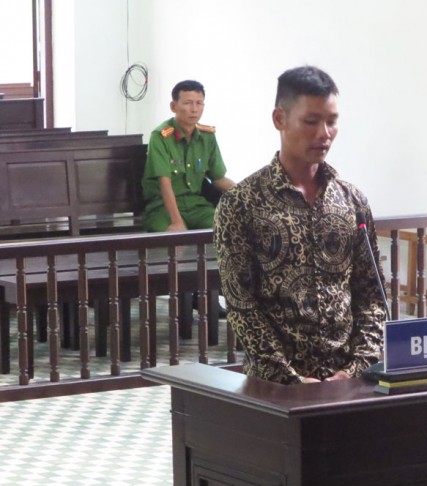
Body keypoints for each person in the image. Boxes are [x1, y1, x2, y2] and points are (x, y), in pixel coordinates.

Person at [213, 65, 386, 384]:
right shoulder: (241, 204)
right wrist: (290, 378)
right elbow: (242, 305)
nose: (324, 133)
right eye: (311, 121)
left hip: (348, 383)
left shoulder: (352, 201)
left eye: (332, 121)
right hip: (274, 387)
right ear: (279, 119)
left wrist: (355, 369)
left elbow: (371, 294)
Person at [142, 80, 235, 232]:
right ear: (173, 106)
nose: (194, 109)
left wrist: (249, 195)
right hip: (163, 208)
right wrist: (177, 222)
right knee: (175, 238)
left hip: (197, 206)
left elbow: (218, 179)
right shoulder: (161, 136)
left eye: (199, 103)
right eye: (188, 103)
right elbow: (164, 183)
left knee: (229, 229)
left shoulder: (207, 137)